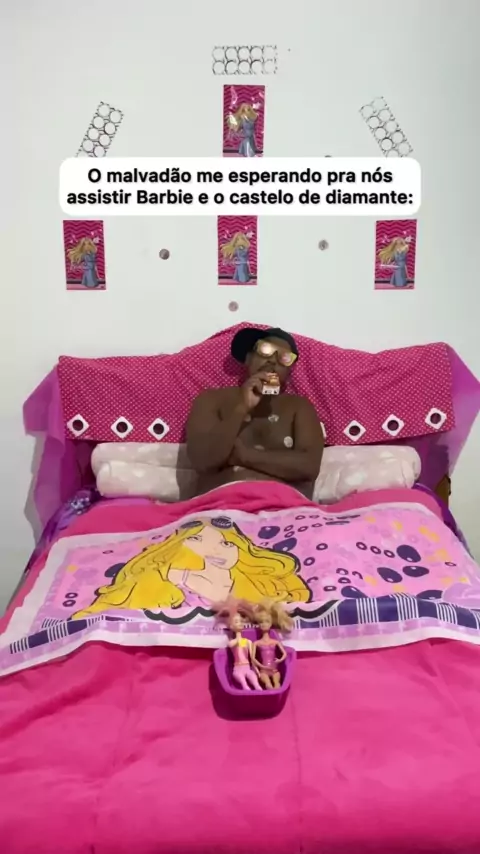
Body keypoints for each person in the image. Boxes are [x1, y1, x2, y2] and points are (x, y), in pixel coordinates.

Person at [186, 327, 324, 498]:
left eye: (284, 358)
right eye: (265, 350)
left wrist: (245, 456)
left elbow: (309, 467)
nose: (272, 360)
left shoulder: (299, 407)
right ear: (248, 358)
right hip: (218, 506)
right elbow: (202, 460)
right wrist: (241, 408)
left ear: (289, 372)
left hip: (283, 507)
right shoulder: (211, 399)